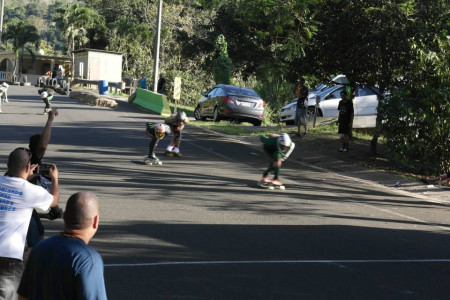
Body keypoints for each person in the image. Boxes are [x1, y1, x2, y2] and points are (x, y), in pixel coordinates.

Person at [17, 192, 107, 300]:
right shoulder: (88, 260)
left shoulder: (39, 248)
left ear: (64, 217)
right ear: (96, 221)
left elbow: (23, 296)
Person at [0, 148, 59, 299]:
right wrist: (55, 179)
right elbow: (54, 201)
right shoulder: (29, 191)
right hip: (9, 258)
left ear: (7, 164)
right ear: (28, 167)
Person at [26, 109, 63, 250]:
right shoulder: (32, 160)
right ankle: (34, 259)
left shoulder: (25, 159)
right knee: (37, 232)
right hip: (23, 206)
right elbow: (42, 145)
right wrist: (50, 119)